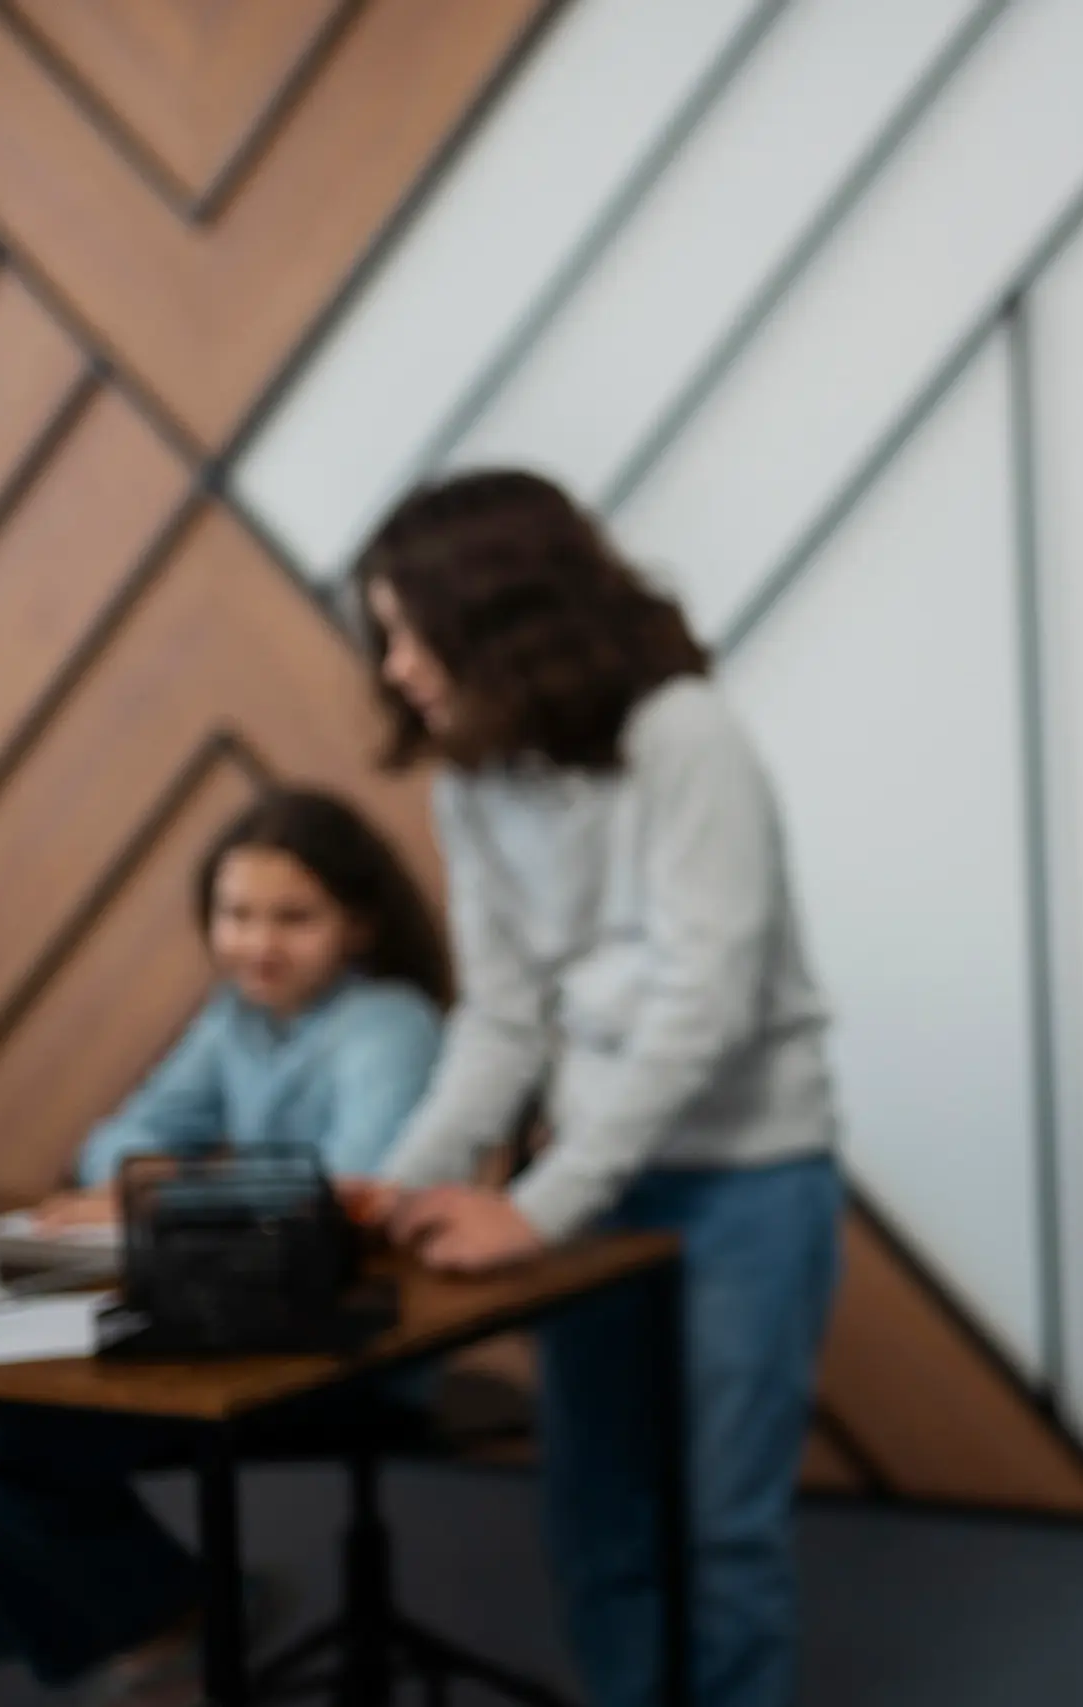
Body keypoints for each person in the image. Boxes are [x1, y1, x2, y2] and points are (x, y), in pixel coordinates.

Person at [353, 470, 843, 1707]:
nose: (396, 666)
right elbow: (505, 1015)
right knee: (594, 1520)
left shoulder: (685, 734)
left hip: (748, 1184)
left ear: (498, 617)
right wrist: (405, 1178)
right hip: (593, 1186)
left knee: (723, 1536)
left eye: (409, 632)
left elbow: (704, 1006)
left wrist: (537, 1205)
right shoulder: (472, 779)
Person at [0, 788, 448, 1706]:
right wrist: (160, 1191)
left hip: (345, 1343)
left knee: (8, 1434)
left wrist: (170, 1196)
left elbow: (344, 1192)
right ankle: (163, 1618)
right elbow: (121, 1140)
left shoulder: (391, 1021)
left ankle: (168, 1621)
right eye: (235, 915)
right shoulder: (235, 1018)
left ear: (357, 924)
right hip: (219, 1316)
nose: (257, 942)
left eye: (293, 917)